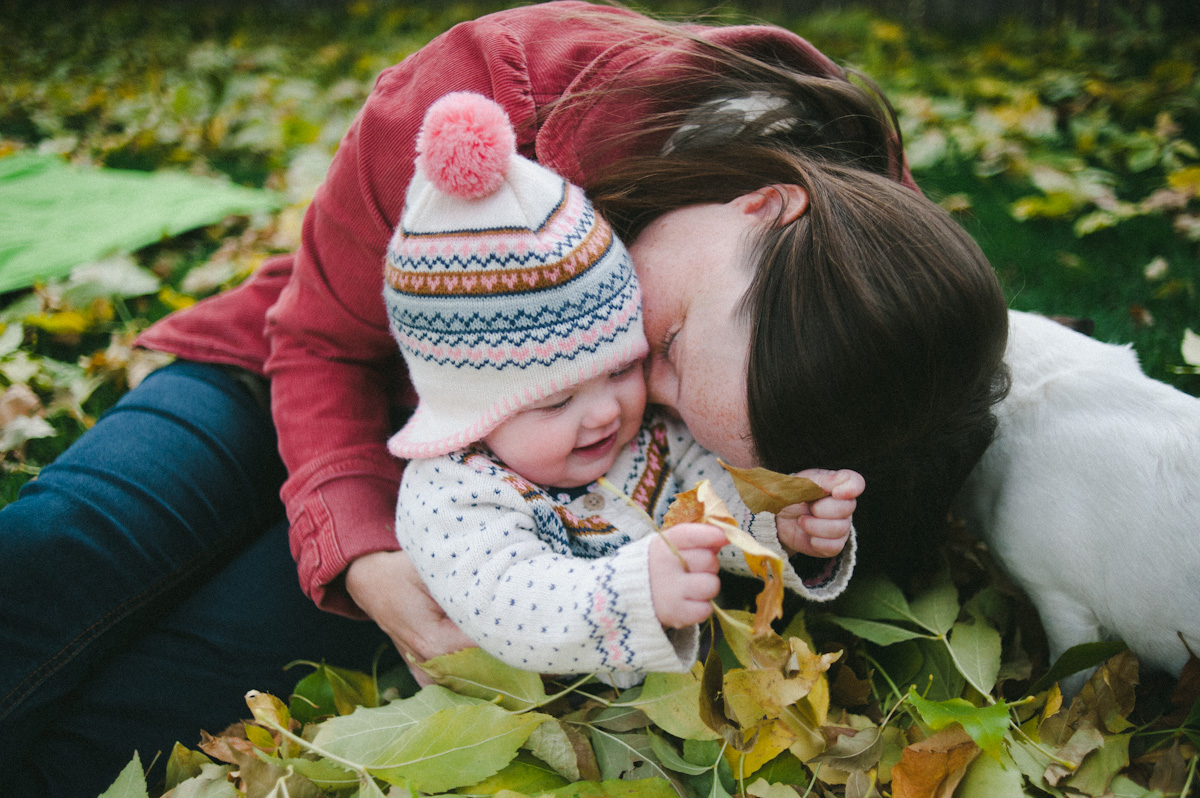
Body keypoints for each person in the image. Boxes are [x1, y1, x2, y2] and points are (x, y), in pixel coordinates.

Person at [0, 2, 1009, 796]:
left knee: (150, 704)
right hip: (289, 376)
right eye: (663, 344)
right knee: (67, 546)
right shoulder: (499, 98)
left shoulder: (875, 319)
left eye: (672, 404)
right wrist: (357, 550)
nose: (634, 402)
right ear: (767, 203)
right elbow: (314, 337)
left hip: (482, 509)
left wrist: (801, 524)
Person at [385, 91, 862, 684]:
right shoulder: (453, 490)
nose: (605, 411)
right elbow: (508, 599)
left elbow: (712, 499)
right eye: (556, 401)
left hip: (672, 709)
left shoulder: (648, 441)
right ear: (469, 412)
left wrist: (778, 522)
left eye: (620, 369)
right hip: (540, 714)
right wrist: (633, 591)